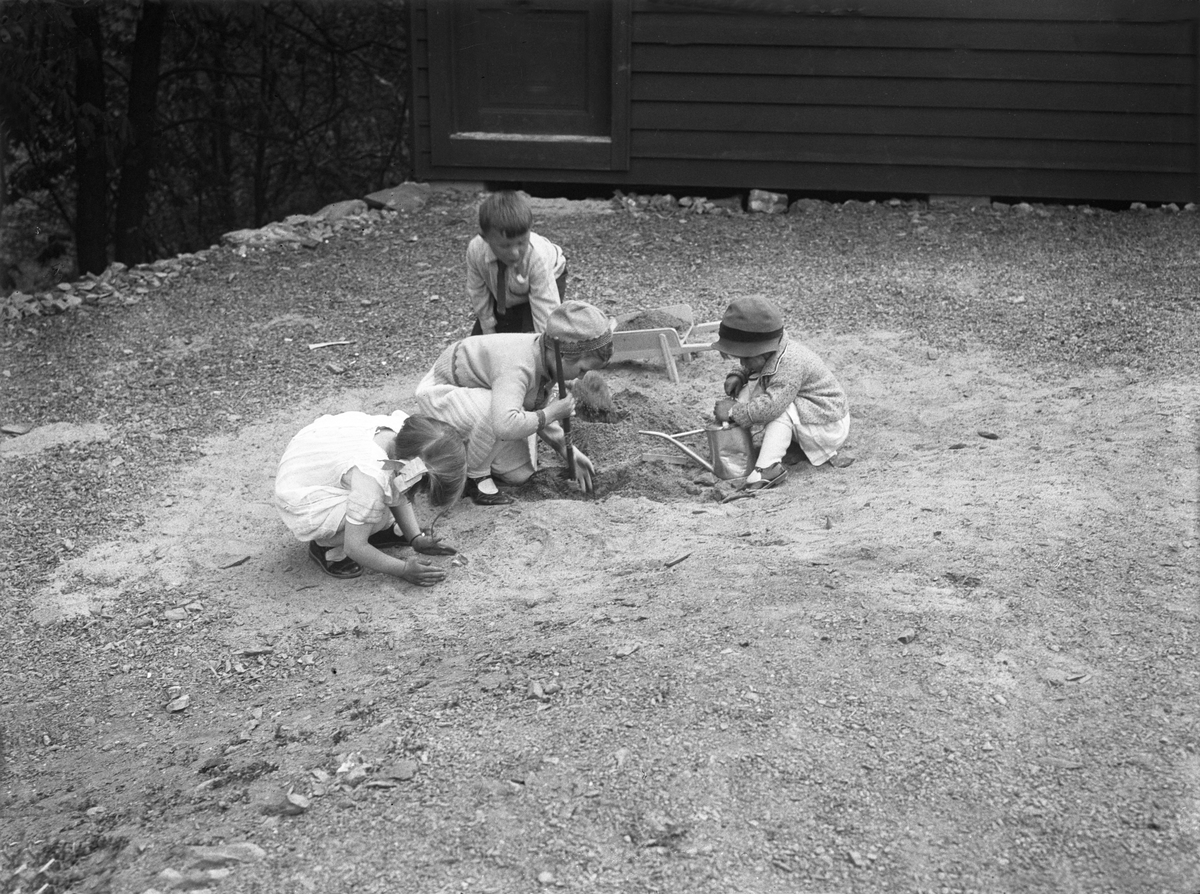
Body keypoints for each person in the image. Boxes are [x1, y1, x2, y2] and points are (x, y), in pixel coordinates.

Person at [415, 300, 614, 505]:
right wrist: (552, 413)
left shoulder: (547, 359)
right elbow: (505, 424)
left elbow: (537, 405)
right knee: (497, 413)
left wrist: (566, 450)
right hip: (442, 393)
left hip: (485, 397)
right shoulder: (517, 365)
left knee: (519, 474)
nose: (580, 378)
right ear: (561, 355)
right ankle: (476, 477)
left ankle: (473, 454)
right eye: (581, 369)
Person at [274, 411, 466, 581]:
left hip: (316, 461)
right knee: (375, 512)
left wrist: (414, 537)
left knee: (378, 501)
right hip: (301, 495)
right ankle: (327, 546)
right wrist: (404, 569)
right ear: (411, 469)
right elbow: (355, 547)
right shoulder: (371, 477)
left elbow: (398, 483)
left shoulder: (404, 440)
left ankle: (374, 530)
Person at [711, 295, 850, 490]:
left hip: (827, 422)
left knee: (779, 410)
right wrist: (739, 375)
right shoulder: (772, 350)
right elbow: (755, 365)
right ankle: (747, 447)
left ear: (763, 349)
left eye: (745, 358)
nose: (743, 363)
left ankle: (767, 468)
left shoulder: (790, 363)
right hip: (810, 416)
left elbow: (771, 408)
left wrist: (734, 411)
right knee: (753, 383)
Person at [466, 190, 567, 336]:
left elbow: (545, 308)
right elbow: (478, 291)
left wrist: (547, 348)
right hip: (503, 286)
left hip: (548, 277)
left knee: (530, 337)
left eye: (521, 242)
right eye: (505, 246)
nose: (515, 253)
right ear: (485, 238)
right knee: (480, 342)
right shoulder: (476, 250)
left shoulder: (537, 256)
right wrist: (488, 330)